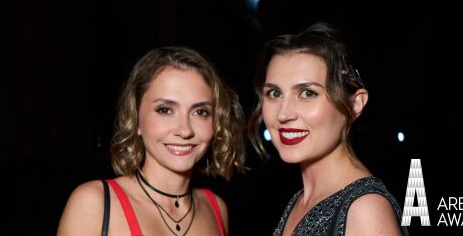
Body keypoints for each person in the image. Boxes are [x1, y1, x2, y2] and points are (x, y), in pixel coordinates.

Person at [58, 46, 246, 236]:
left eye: (200, 112)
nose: (185, 130)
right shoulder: (94, 203)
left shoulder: (216, 208)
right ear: (135, 119)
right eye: (165, 110)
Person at [248, 23, 408, 236]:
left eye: (307, 93)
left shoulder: (366, 210)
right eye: (275, 94)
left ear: (355, 104)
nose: (283, 114)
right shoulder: (301, 200)